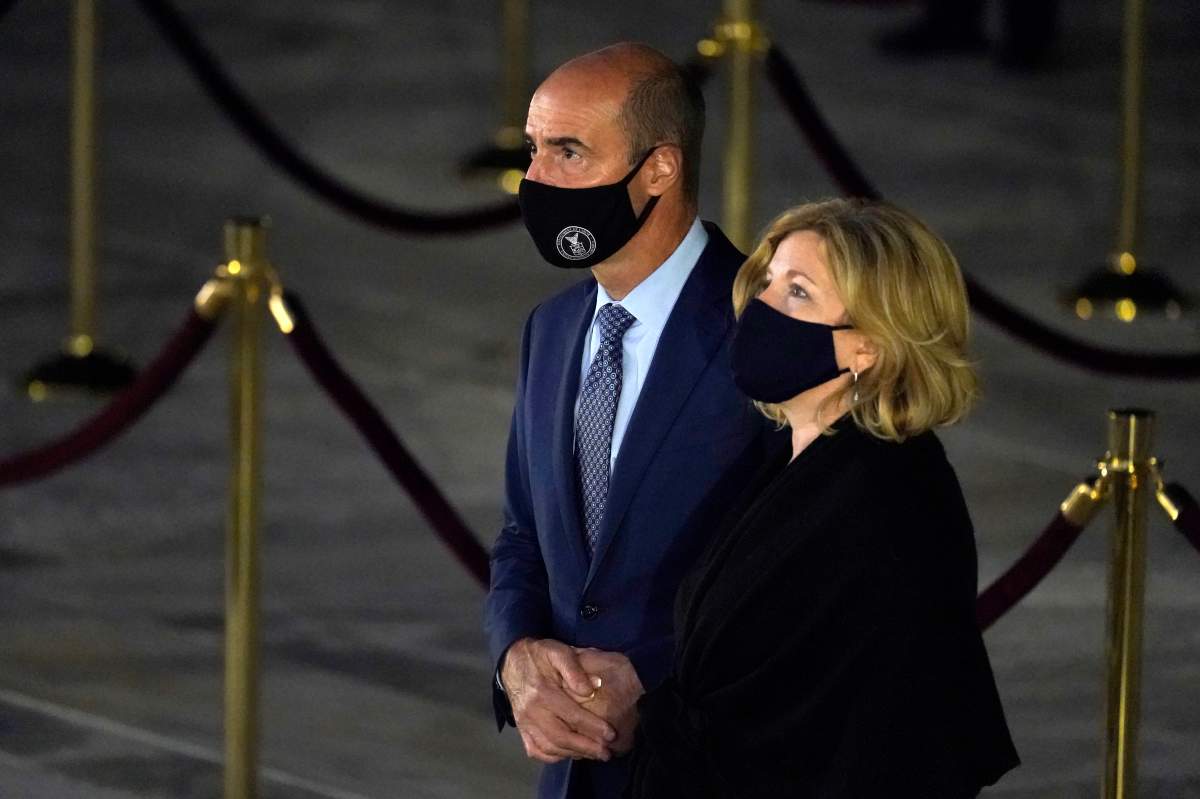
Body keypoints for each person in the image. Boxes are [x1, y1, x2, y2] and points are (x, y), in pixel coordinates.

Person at [625, 198, 1021, 798]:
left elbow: (824, 737)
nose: (761, 306)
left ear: (870, 348)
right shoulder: (804, 461)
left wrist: (643, 716)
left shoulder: (884, 500)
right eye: (769, 281)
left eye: (799, 293)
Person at [483, 43, 780, 799]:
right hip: (571, 777)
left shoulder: (766, 334)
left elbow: (794, 573)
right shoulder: (549, 330)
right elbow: (522, 532)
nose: (537, 178)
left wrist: (650, 674)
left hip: (714, 766)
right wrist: (515, 656)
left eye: (569, 151)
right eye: (535, 149)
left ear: (660, 168)